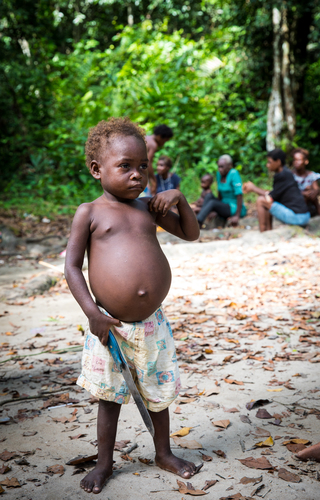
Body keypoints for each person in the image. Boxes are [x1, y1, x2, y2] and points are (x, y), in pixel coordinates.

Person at [64, 117, 200, 495]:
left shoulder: (148, 208)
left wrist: (180, 198)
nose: (137, 175)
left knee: (157, 392)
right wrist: (92, 312)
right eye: (125, 166)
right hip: (110, 324)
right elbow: (72, 267)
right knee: (110, 398)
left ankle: (164, 452)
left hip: (152, 325)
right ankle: (105, 463)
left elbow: (191, 233)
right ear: (97, 169)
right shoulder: (89, 213)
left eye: (142, 166)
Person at [243, 148, 311, 232]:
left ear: (278, 162)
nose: (267, 165)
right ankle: (267, 230)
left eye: (269, 162)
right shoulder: (285, 173)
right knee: (266, 201)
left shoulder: (283, 175)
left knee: (261, 200)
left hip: (298, 217)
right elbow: (272, 195)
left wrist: (253, 188)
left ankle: (263, 232)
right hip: (302, 216)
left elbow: (270, 196)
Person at [196, 155, 246, 228]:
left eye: (222, 167)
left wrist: (237, 215)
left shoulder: (233, 174)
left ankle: (198, 221)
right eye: (219, 166)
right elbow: (219, 193)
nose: (220, 169)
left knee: (213, 203)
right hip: (223, 204)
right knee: (209, 196)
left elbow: (239, 195)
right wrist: (217, 210)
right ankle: (201, 217)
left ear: (229, 166)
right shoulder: (219, 174)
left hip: (233, 207)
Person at [292, 147, 320, 216]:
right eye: (294, 160)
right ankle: (301, 215)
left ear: (306, 161)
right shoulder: (291, 175)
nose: (296, 162)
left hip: (310, 200)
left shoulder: (312, 175)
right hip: (296, 200)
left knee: (310, 191)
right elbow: (290, 191)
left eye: (299, 160)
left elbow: (316, 188)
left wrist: (313, 191)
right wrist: (302, 193)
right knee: (305, 195)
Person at [145, 125, 174, 195]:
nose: (163, 144)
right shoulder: (153, 144)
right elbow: (148, 162)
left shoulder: (146, 137)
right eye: (164, 141)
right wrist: (153, 179)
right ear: (159, 136)